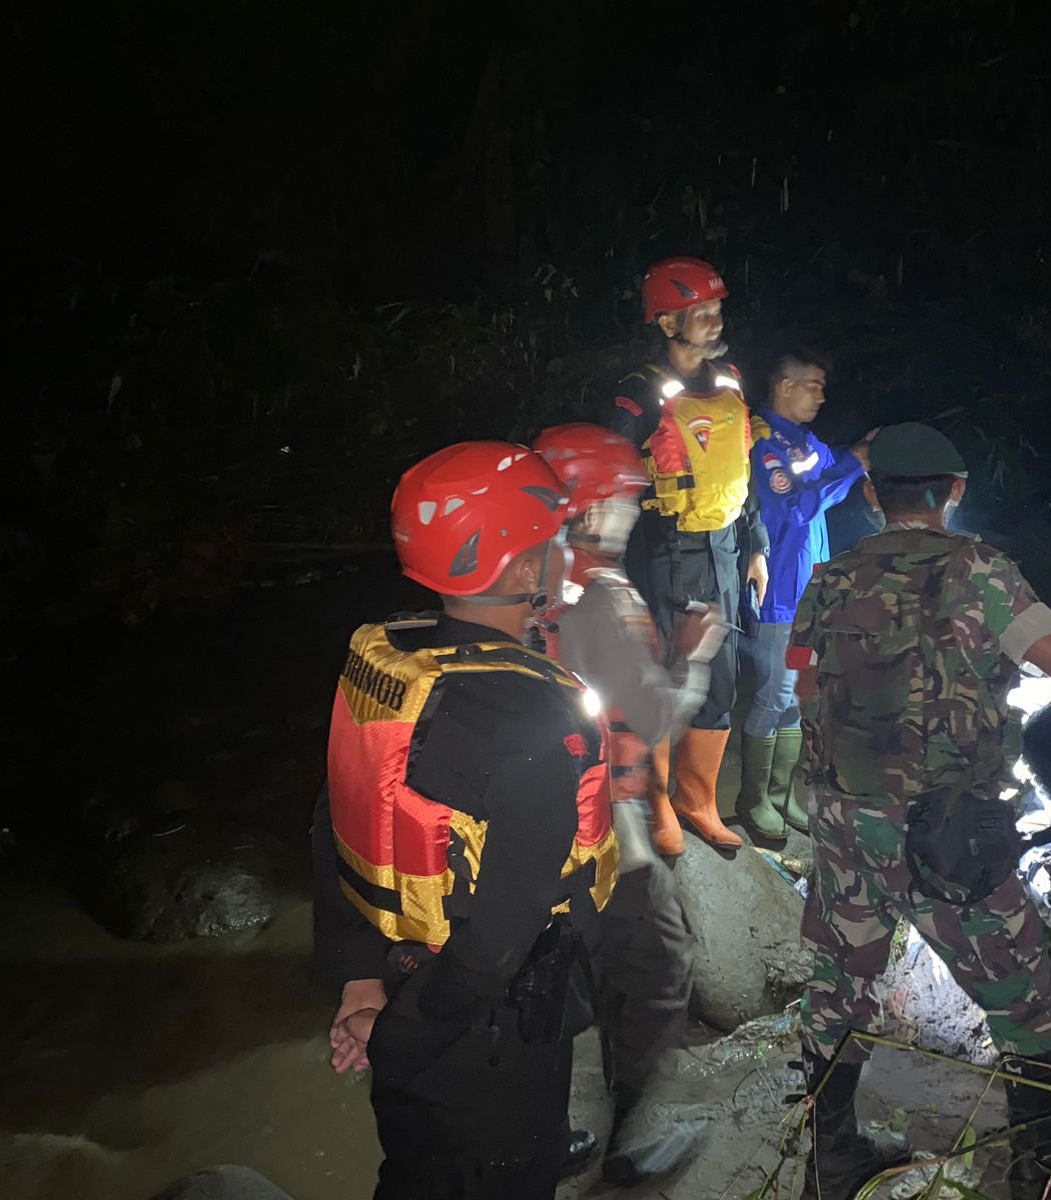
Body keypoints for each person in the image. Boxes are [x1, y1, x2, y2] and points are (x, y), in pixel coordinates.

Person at [788, 422, 1051, 1200]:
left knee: (838, 989)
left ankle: (827, 1166)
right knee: (1026, 1006)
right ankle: (1038, 1176)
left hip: (846, 822)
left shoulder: (831, 577)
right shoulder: (981, 571)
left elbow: (807, 691)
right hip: (949, 826)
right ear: (955, 491)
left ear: (874, 495)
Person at [311, 441, 620, 1200]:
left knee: (415, 1168)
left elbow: (333, 820)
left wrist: (360, 986)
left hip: (394, 973)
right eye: (553, 544)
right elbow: (501, 939)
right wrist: (402, 1036)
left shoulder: (390, 661)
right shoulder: (538, 718)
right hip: (481, 1029)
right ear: (522, 573)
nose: (564, 556)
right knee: (502, 1173)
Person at [530, 422, 723, 1185]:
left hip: (538, 823)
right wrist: (697, 656)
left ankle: (553, 1131)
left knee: (570, 974)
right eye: (622, 498)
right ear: (588, 505)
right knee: (658, 963)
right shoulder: (607, 596)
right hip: (608, 825)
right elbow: (657, 716)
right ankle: (643, 1142)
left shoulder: (530, 578)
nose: (633, 512)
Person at [608, 256, 770, 850]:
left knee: (720, 678)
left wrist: (756, 546)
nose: (713, 320)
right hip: (666, 550)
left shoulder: (729, 379)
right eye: (700, 313)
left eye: (716, 310)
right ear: (667, 322)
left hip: (725, 547)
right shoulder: (639, 392)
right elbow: (610, 476)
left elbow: (742, 470)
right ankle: (654, 802)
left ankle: (696, 799)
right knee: (666, 676)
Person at [739, 351, 870, 841]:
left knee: (797, 694)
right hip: (779, 589)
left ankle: (780, 795)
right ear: (785, 386)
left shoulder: (805, 443)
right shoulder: (764, 445)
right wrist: (854, 465)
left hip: (811, 589)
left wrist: (860, 456)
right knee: (774, 693)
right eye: (812, 385)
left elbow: (831, 469)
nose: (821, 394)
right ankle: (751, 798)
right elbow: (795, 507)